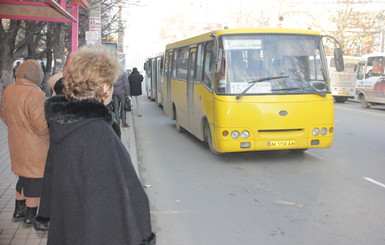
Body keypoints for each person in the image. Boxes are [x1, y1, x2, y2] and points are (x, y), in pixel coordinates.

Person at [35, 45, 155, 245]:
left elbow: (51, 172)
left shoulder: (64, 123)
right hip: (92, 232)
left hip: (69, 226)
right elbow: (112, 202)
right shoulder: (97, 132)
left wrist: (45, 213)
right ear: (104, 87)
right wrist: (142, 235)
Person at [0, 60, 49, 226]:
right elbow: (41, 127)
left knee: (22, 179)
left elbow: (4, 116)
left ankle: (18, 211)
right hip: (35, 147)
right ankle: (30, 216)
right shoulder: (36, 94)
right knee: (35, 180)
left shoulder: (9, 90)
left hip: (16, 144)